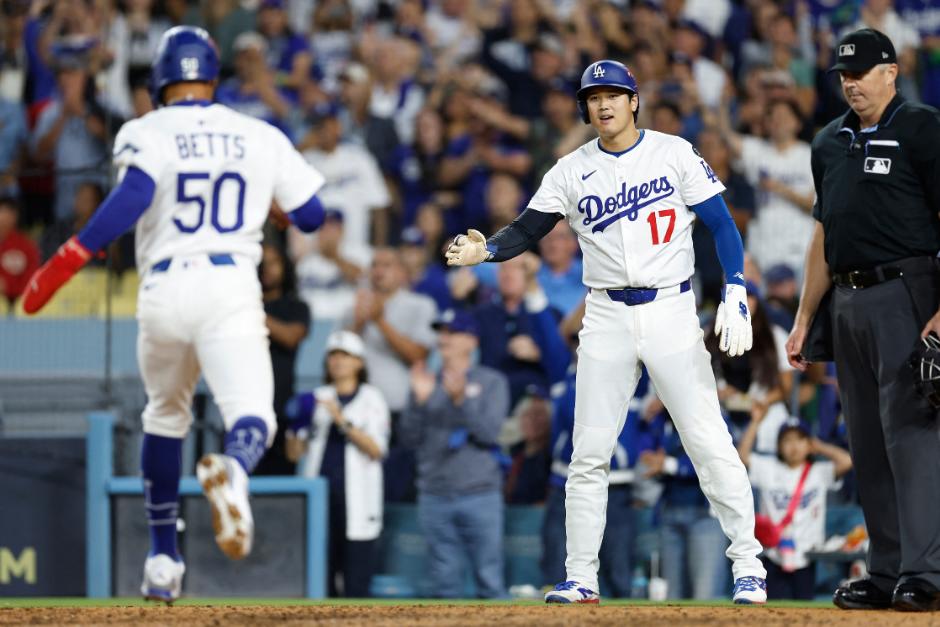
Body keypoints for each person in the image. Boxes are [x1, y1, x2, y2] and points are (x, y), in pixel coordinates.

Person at [20, 27, 328, 603]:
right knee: (253, 416)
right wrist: (282, 210)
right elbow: (312, 214)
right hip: (229, 288)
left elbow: (135, 195)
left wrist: (70, 255)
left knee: (165, 415)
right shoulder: (258, 133)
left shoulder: (145, 128)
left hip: (162, 291)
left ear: (163, 80)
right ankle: (234, 469)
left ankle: (163, 558)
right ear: (214, 76)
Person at [445, 59, 768, 604]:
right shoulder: (571, 168)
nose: (603, 103)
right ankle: (580, 576)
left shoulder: (673, 152)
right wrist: (488, 249)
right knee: (588, 452)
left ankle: (749, 566)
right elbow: (529, 228)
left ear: (633, 100)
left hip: (671, 309)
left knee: (708, 441)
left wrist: (735, 289)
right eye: (593, 96)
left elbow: (720, 223)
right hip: (606, 315)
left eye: (613, 94)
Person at [786, 29, 940, 612]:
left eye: (862, 71)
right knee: (868, 441)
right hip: (847, 301)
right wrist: (804, 316)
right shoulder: (828, 142)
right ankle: (886, 570)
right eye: (843, 74)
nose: (851, 82)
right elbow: (824, 233)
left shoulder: (924, 128)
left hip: (909, 291)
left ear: (891, 72)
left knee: (913, 435)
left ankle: (926, 572)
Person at [399, 309, 510, 598]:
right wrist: (418, 403)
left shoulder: (491, 382)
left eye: (452, 331)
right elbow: (408, 439)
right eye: (441, 332)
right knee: (443, 582)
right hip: (435, 493)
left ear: (472, 341)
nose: (444, 338)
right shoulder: (426, 381)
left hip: (480, 493)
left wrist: (462, 401)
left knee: (489, 580)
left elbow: (489, 434)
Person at [285, 330, 390, 597]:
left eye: (345, 356)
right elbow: (294, 454)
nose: (338, 361)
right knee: (322, 582)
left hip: (358, 500)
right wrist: (297, 425)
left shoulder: (371, 398)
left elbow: (376, 449)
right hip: (322, 497)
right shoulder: (317, 397)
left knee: (356, 584)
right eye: (333, 355)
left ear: (359, 362)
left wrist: (340, 419)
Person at [738, 416, 853, 600]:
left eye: (800, 439)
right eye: (787, 440)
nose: (794, 446)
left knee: (804, 609)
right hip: (772, 554)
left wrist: (819, 446)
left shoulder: (818, 472)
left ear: (809, 444)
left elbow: (847, 461)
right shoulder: (768, 468)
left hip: (806, 556)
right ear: (778, 446)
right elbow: (742, 456)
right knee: (770, 608)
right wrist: (756, 420)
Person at [254, 243, 310, 476]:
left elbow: (291, 336)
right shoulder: (244, 306)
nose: (267, 269)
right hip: (246, 405)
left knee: (283, 481)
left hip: (282, 410)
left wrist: (250, 311)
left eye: (274, 263)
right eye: (262, 263)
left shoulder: (296, 306)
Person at [0, 195, 39, 308]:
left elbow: (32, 280)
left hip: (19, 301)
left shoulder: (26, 245)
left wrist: (8, 288)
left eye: (8, 213)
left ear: (15, 216)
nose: (3, 217)